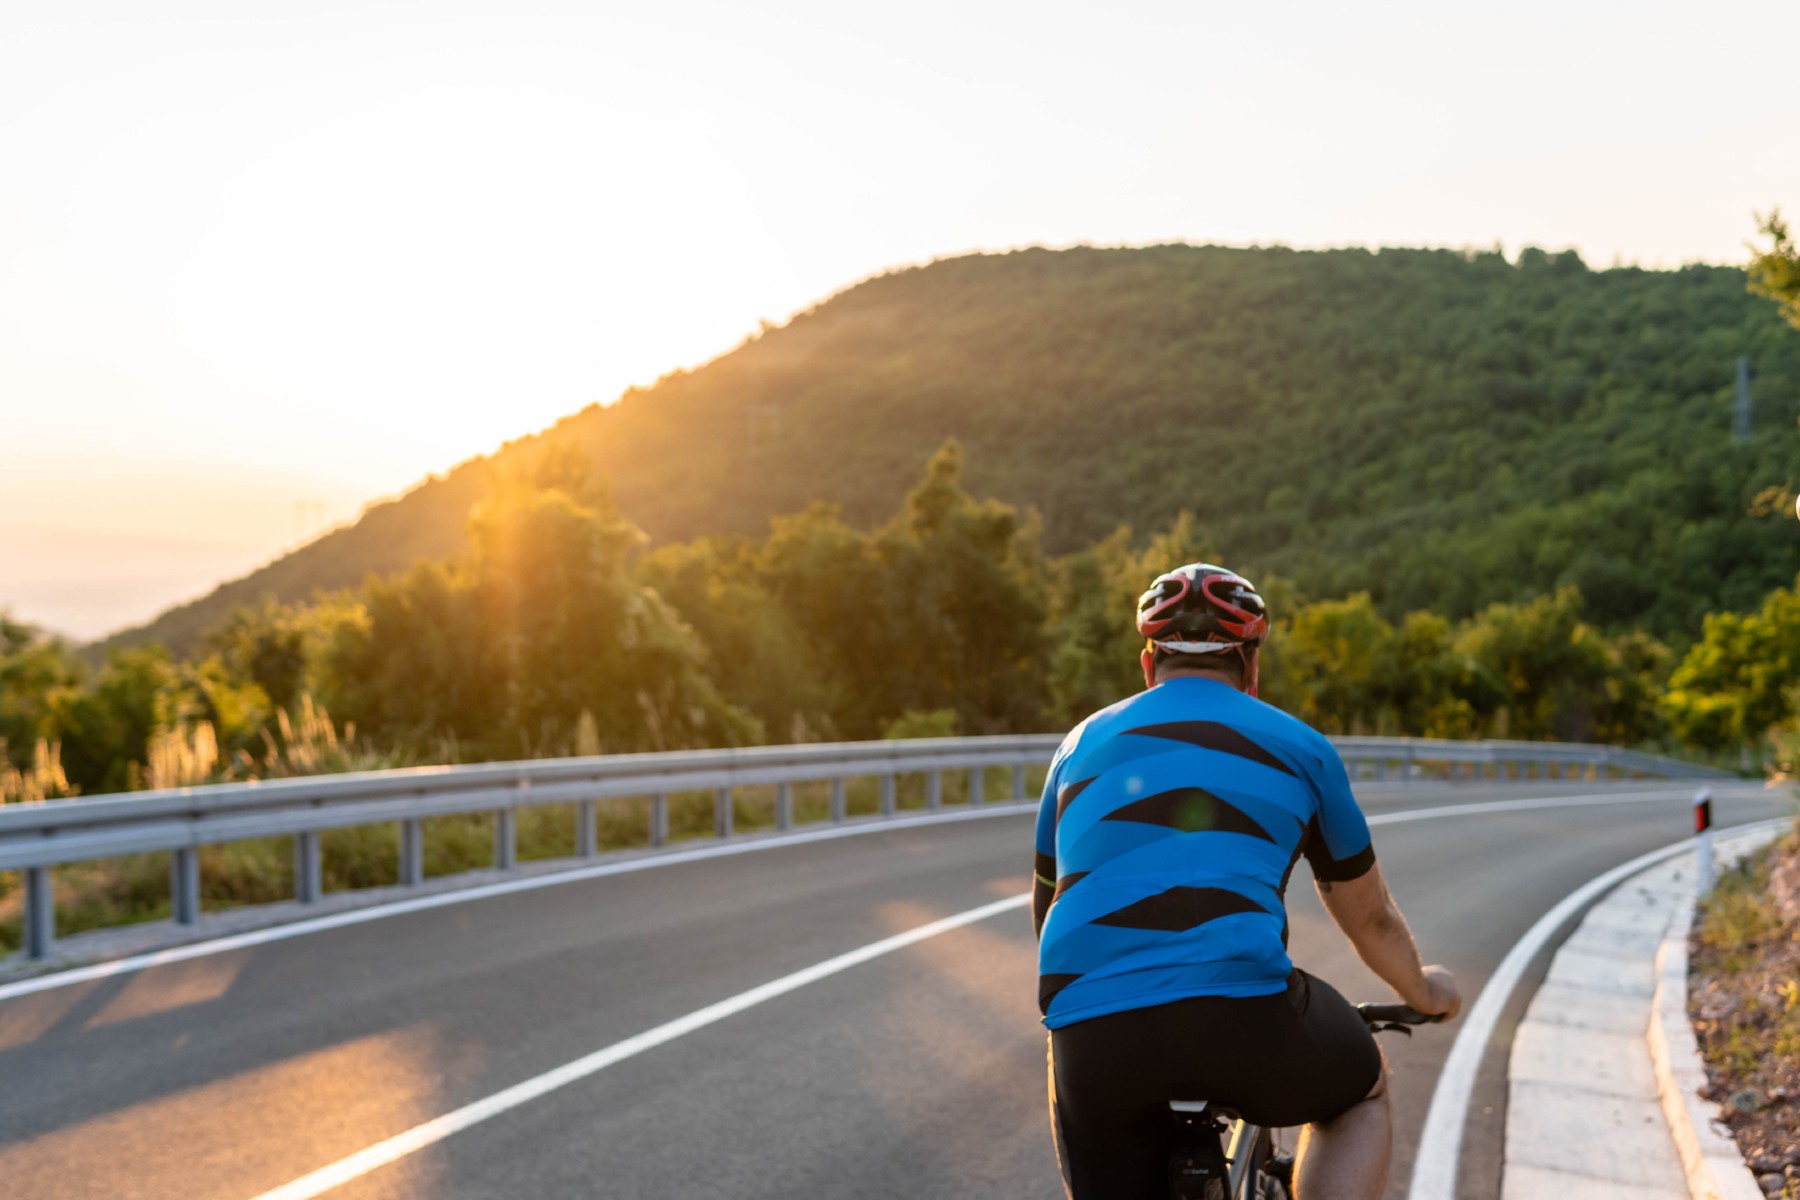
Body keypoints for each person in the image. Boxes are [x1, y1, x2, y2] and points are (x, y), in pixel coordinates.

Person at [1032, 563, 1461, 1200]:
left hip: (1096, 1036)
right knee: (1361, 1093)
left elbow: (1049, 911)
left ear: (1149, 664)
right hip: (1246, 1015)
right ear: (1251, 665)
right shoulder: (1302, 747)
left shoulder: (1077, 745)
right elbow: (1370, 919)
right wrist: (1425, 992)